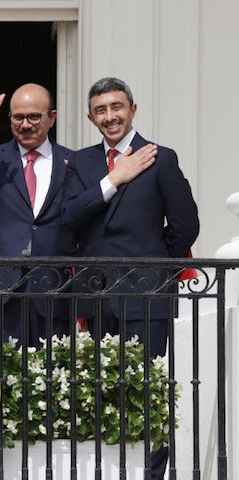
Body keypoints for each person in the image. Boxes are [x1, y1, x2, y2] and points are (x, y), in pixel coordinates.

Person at [62, 77, 199, 479]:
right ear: (91, 118)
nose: (110, 116)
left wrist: (154, 271)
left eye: (117, 107)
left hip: (146, 295)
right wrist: (114, 178)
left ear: (132, 110)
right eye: (101, 110)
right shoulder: (81, 163)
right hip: (95, 295)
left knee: (146, 391)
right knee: (102, 390)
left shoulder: (160, 158)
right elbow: (70, 216)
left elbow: (185, 225)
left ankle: (150, 474)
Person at [0, 73, 76, 346]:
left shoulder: (73, 161)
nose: (25, 124)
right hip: (0, 282)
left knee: (54, 366)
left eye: (34, 117)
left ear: (52, 117)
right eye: (18, 117)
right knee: (2, 364)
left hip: (55, 283)